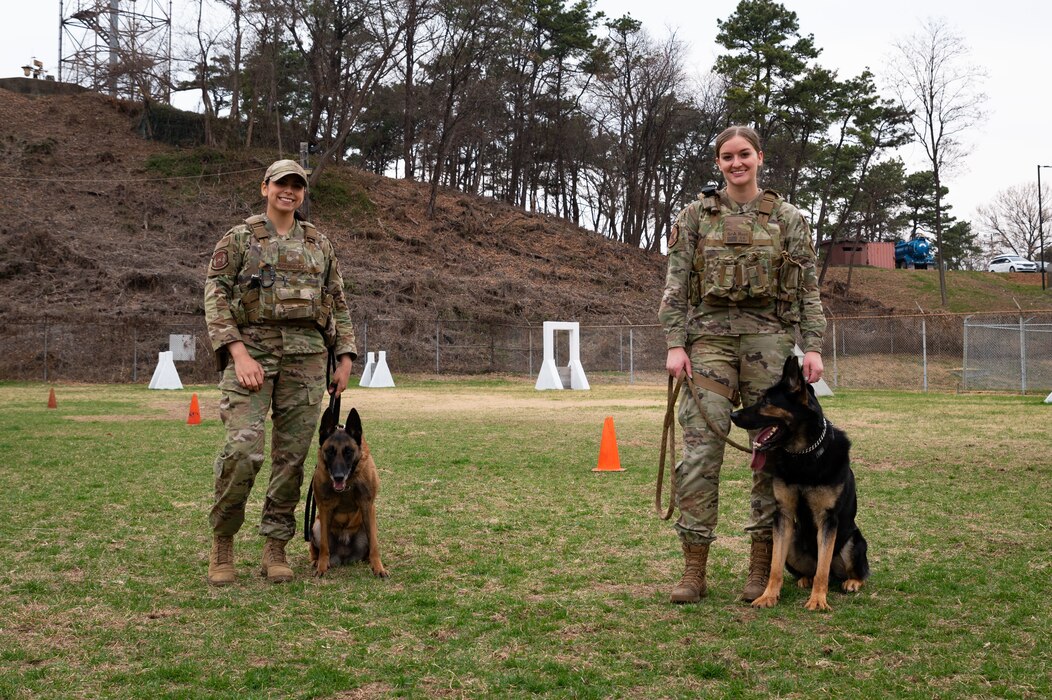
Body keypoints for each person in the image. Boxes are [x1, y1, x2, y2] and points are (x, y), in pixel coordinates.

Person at [657, 125, 827, 604]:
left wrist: (811, 346)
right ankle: (694, 570)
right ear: (718, 162)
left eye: (745, 155)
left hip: (769, 342)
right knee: (699, 453)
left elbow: (808, 287)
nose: (737, 163)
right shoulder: (695, 216)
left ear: (759, 157)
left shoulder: (788, 218)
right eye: (728, 156)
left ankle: (760, 567)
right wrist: (675, 342)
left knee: (769, 456)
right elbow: (674, 284)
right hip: (708, 339)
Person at [204, 159, 357, 586]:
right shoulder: (239, 239)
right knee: (243, 451)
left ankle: (275, 546)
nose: (289, 191)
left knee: (291, 460)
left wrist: (344, 358)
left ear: (303, 193)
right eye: (281, 184)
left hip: (307, 359)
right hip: (251, 355)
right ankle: (223, 542)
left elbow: (338, 302)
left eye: (297, 186)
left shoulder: (318, 244)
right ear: (265, 187)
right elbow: (215, 295)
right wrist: (238, 354)